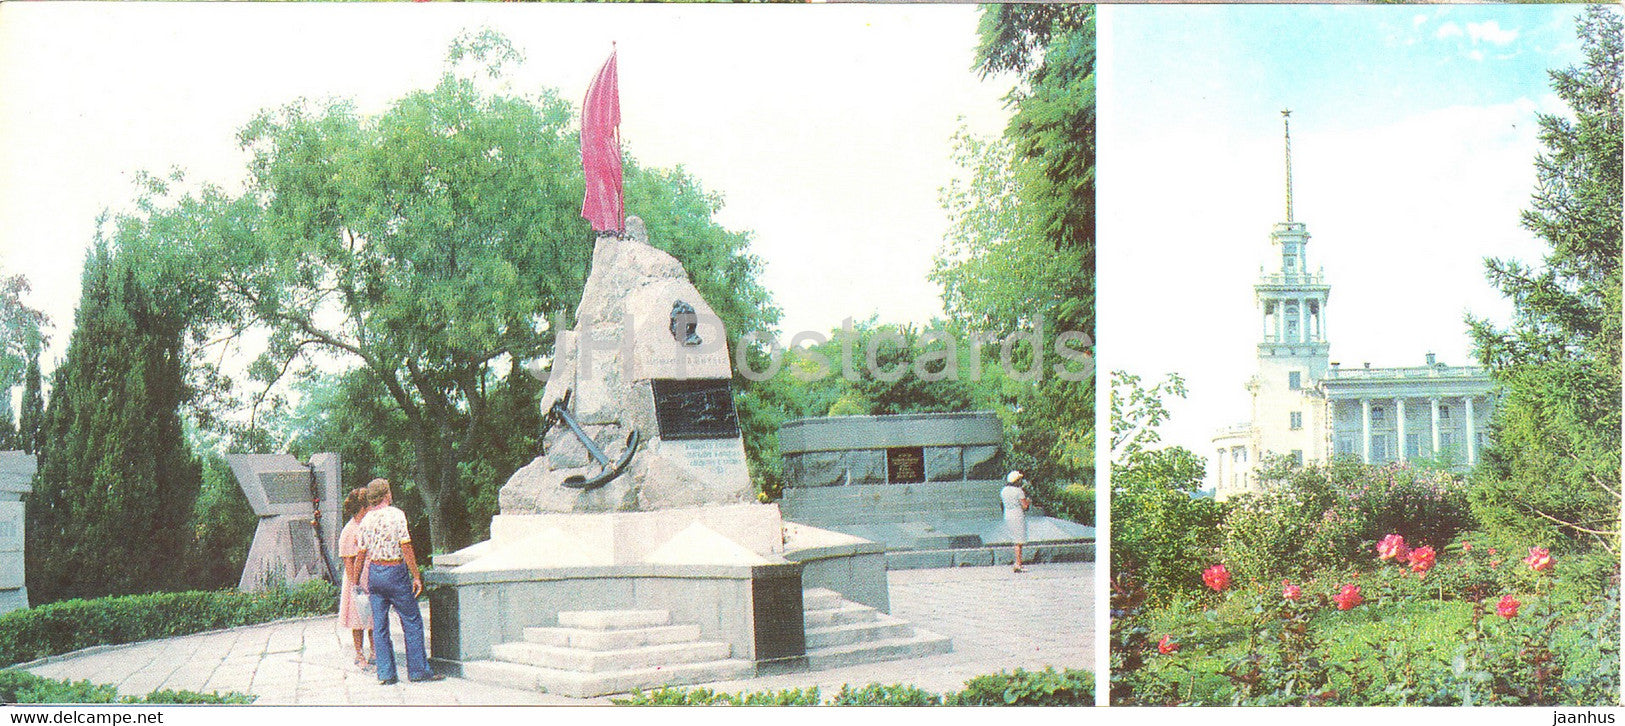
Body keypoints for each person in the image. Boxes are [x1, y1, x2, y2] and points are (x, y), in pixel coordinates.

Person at [356, 478, 444, 685]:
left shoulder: (366, 520)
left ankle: (386, 674)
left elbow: (361, 553)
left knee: (380, 625)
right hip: (395, 572)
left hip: (375, 573)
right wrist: (416, 575)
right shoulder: (397, 515)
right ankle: (418, 671)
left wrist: (356, 581)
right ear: (387, 494)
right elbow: (406, 546)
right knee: (411, 620)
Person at [338, 487, 374, 670]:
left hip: (371, 575)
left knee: (373, 617)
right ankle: (359, 653)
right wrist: (355, 585)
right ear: (362, 507)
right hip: (356, 579)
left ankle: (375, 651)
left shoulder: (368, 525)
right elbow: (348, 561)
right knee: (357, 617)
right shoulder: (349, 530)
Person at [1002, 470, 1031, 573]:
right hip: (1017, 515)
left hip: (1008, 515)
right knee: (1019, 541)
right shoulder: (1019, 491)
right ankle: (1018, 563)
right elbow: (1025, 506)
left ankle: (1018, 563)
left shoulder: (1004, 490)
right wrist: (1028, 500)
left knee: (1015, 539)